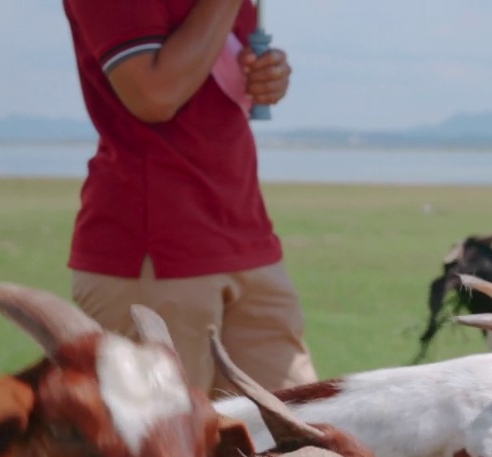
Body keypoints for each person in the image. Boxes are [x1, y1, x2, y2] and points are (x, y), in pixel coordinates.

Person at [62, 0, 318, 394]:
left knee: (299, 440)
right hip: (155, 251)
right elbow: (154, 95)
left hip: (245, 237)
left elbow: (211, 96)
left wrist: (269, 76)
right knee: (169, 451)